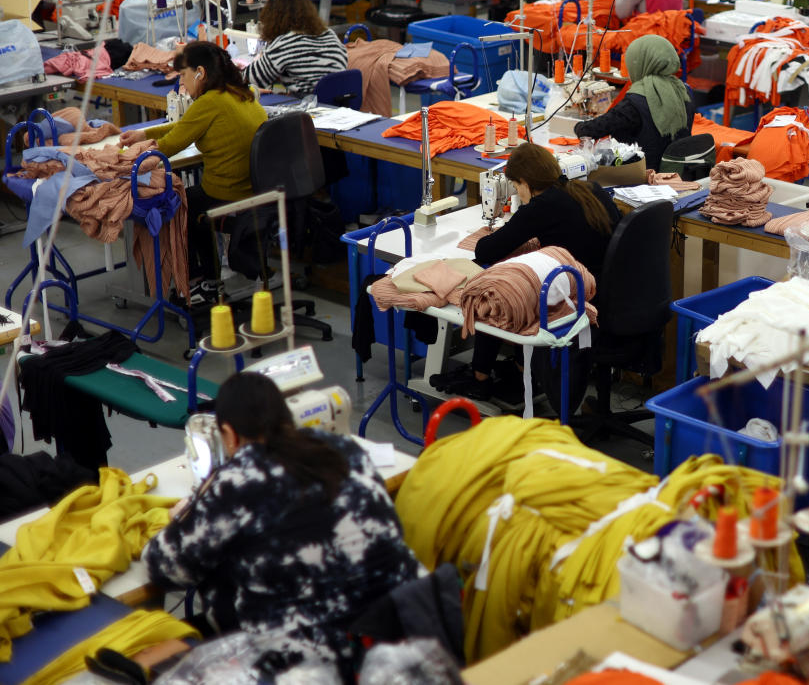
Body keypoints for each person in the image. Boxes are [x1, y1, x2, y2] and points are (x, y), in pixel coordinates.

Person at [144, 372, 419, 677]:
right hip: (402, 630)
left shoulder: (237, 481)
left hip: (318, 664)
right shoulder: (344, 448)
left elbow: (165, 567)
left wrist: (190, 510)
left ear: (229, 435)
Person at [432, 142, 620, 403]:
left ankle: (480, 379)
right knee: (521, 277)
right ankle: (521, 370)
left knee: (495, 287)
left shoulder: (541, 207)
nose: (518, 194)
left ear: (524, 182)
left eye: (517, 188)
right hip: (610, 291)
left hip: (577, 301)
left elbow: (486, 251)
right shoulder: (590, 190)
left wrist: (505, 230)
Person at [120, 42, 266, 304]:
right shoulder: (243, 92)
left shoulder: (210, 101)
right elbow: (185, 126)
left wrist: (127, 159)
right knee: (192, 196)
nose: (183, 84)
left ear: (200, 72)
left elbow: (171, 145)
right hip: (255, 188)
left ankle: (205, 281)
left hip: (227, 192)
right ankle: (208, 278)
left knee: (182, 204)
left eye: (184, 75)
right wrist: (143, 134)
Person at [573, 35, 693, 169]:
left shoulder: (635, 102)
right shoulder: (684, 91)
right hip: (678, 170)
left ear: (640, 63)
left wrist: (577, 126)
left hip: (642, 176)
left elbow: (590, 130)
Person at [246, 0, 349, 95]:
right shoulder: (329, 34)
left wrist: (259, 59)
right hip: (336, 105)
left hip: (308, 106)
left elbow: (247, 80)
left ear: (274, 19)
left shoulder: (285, 43)